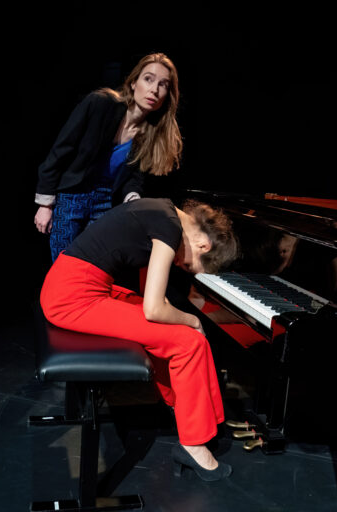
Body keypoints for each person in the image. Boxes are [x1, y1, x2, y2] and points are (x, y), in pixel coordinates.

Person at [40, 197, 239, 481]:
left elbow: (149, 297)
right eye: (191, 267)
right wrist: (193, 320)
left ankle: (187, 412)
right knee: (189, 341)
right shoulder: (169, 228)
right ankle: (193, 444)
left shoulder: (164, 211)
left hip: (76, 285)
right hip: (73, 297)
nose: (184, 266)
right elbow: (154, 309)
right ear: (203, 246)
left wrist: (179, 320)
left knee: (184, 335)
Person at [34, 52, 183, 262]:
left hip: (105, 203)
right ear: (133, 83)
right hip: (72, 196)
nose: (154, 90)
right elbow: (61, 150)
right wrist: (45, 204)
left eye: (163, 85)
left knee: (92, 267)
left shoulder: (150, 133)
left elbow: (134, 179)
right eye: (148, 79)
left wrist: (133, 199)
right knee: (63, 266)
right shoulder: (100, 103)